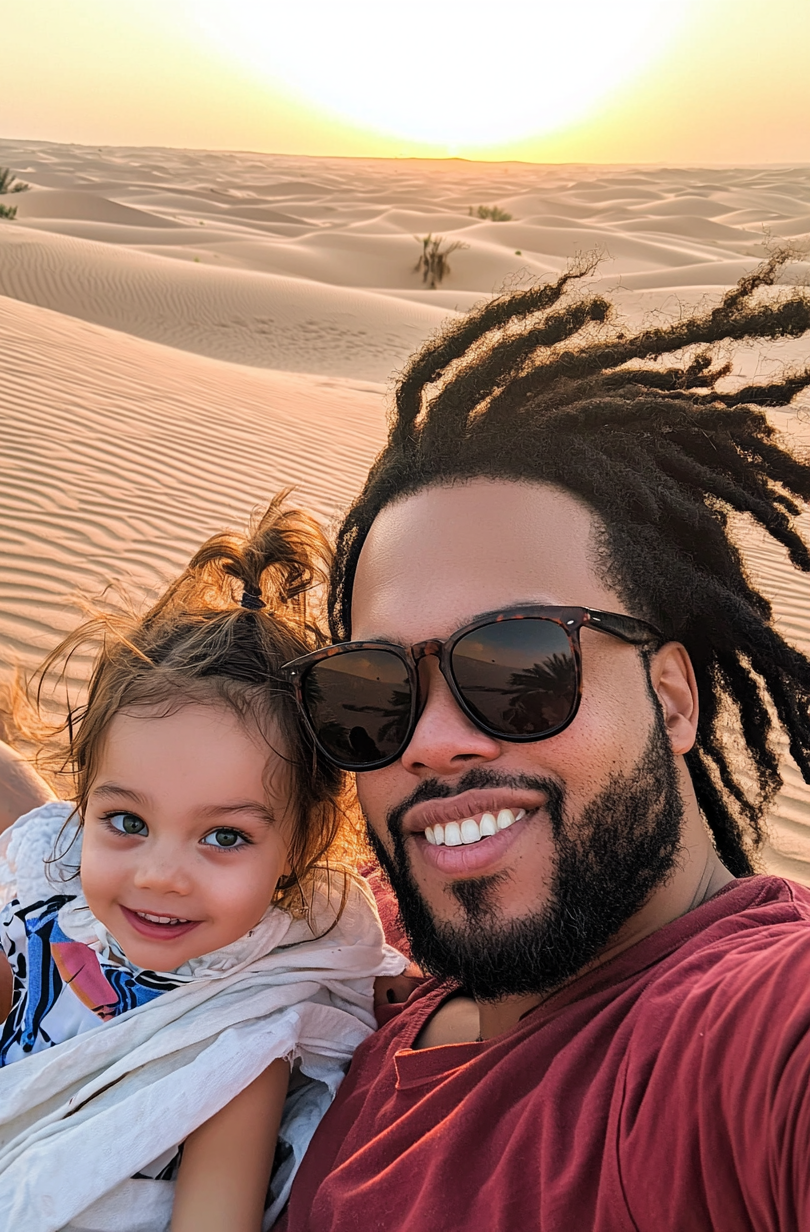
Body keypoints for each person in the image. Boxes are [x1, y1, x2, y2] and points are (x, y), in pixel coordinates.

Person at [274, 255, 810, 1230]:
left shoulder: (735, 1037)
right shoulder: (367, 937)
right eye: (374, 691)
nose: (431, 742)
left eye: (517, 664)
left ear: (672, 697)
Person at [0, 497, 403, 1232]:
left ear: (298, 851)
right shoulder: (61, 905)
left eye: (223, 838)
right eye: (127, 821)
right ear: (85, 807)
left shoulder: (236, 1046)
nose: (160, 873)